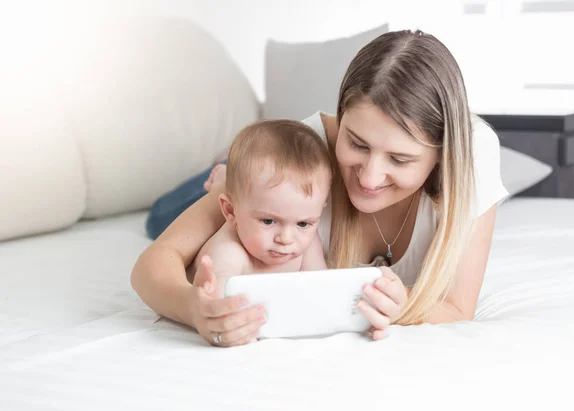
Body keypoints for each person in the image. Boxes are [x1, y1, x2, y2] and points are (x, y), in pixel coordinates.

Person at [131, 29, 508, 347]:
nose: (369, 178)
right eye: (357, 144)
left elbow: (458, 309)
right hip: (248, 188)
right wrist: (192, 307)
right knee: (182, 207)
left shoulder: (472, 158)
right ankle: (220, 178)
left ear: (440, 157)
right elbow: (154, 262)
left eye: (400, 160)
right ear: (338, 119)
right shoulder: (298, 162)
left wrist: (402, 308)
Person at [190, 119, 331, 306]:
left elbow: (324, 286)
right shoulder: (228, 251)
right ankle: (219, 180)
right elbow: (217, 302)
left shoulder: (306, 242)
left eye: (303, 224)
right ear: (230, 211)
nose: (286, 238)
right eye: (268, 221)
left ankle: (225, 178)